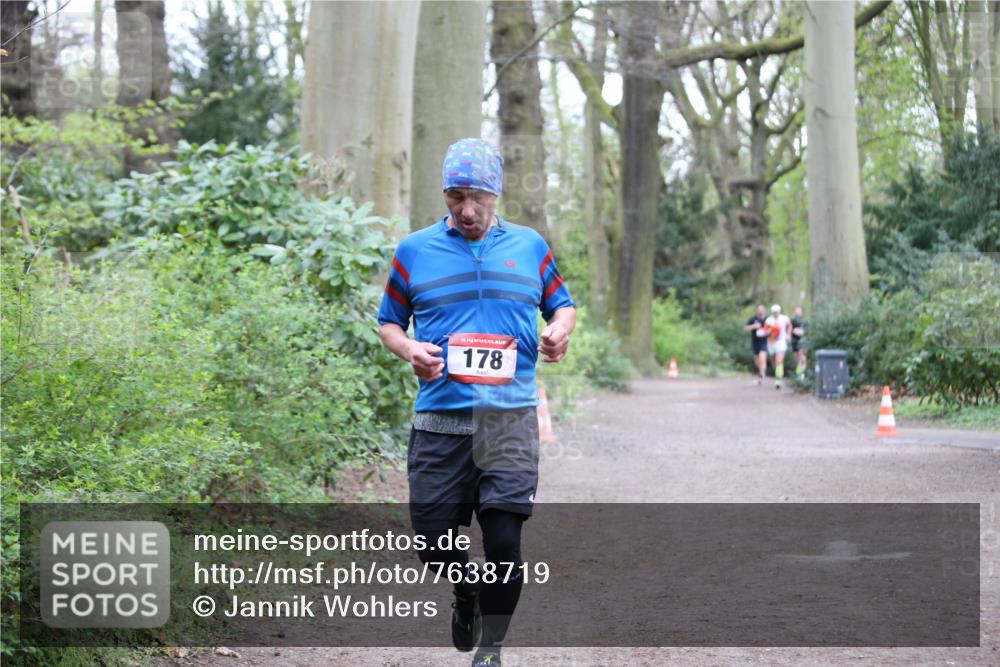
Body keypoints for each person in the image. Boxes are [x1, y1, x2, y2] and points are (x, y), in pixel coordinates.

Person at [377, 138, 576, 667]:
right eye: (455, 197)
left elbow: (563, 305)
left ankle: (491, 649)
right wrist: (408, 348)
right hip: (439, 421)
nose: (466, 210)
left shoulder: (530, 246)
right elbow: (389, 322)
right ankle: (465, 591)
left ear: (497, 194)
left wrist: (558, 330)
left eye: (478, 198)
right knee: (434, 544)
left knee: (505, 543)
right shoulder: (414, 251)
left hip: (508, 421)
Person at [762, 304, 792, 389]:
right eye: (774, 312)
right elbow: (765, 329)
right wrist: (767, 332)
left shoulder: (784, 318)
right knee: (774, 361)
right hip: (771, 342)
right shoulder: (769, 320)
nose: (775, 314)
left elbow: (790, 325)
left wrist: (788, 334)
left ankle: (778, 380)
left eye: (777, 312)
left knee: (779, 360)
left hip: (781, 342)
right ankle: (778, 373)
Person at [744, 304, 768, 385]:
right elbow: (746, 328)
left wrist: (767, 331)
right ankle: (761, 372)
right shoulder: (753, 319)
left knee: (762, 358)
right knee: (757, 361)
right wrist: (754, 326)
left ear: (765, 310)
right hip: (755, 342)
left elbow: (774, 329)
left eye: (762, 309)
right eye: (759, 309)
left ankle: (762, 375)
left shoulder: (768, 319)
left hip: (764, 341)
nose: (760, 311)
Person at [790, 306, 807, 379]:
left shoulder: (805, 322)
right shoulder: (792, 321)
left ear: (802, 313)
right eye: (796, 311)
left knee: (802, 356)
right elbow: (789, 329)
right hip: (794, 341)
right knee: (796, 358)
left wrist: (802, 332)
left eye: (799, 311)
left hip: (803, 341)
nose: (798, 313)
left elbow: (807, 331)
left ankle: (800, 374)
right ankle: (799, 372)